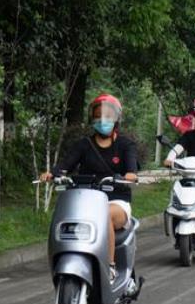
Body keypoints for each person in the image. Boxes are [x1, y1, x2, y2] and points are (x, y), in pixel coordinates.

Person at [41, 93, 138, 284]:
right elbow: (65, 165)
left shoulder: (126, 145)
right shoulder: (83, 145)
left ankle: (110, 267)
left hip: (116, 201)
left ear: (117, 119)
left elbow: (131, 169)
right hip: (86, 201)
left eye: (108, 116)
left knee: (105, 214)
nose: (103, 120)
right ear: (91, 119)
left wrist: (129, 176)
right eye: (99, 116)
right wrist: (53, 174)